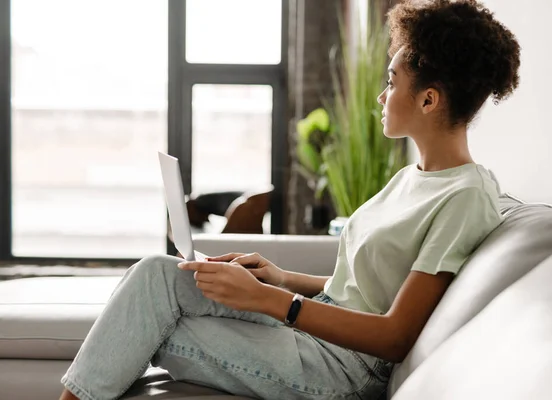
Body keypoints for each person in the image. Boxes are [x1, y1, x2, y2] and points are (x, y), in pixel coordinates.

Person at [59, 1, 520, 399]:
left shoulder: (466, 196)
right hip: (316, 330)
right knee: (156, 275)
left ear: (429, 100)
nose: (381, 95)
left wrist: (272, 301)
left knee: (150, 322)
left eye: (392, 82)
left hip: (345, 370)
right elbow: (363, 288)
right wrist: (281, 278)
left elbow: (397, 334)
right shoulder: (411, 177)